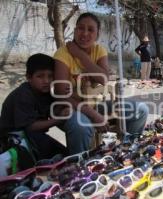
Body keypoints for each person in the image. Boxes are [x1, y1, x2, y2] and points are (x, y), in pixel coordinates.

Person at [53, 12, 149, 153]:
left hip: (94, 104)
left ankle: (127, 153)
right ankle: (79, 167)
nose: (85, 33)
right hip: (70, 108)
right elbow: (62, 95)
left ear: (97, 35)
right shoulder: (63, 54)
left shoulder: (99, 50)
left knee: (141, 110)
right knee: (81, 126)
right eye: (81, 28)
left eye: (90, 30)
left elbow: (103, 78)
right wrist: (93, 115)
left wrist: (79, 54)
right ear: (74, 31)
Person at [0, 53, 68, 160]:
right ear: (28, 77)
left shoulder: (45, 92)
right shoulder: (23, 95)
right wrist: (58, 120)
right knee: (57, 158)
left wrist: (64, 98)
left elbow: (51, 111)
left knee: (65, 155)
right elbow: (30, 126)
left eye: (50, 76)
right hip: (13, 141)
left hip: (34, 137)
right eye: (40, 76)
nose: (46, 81)